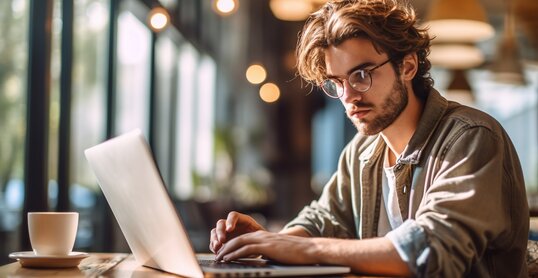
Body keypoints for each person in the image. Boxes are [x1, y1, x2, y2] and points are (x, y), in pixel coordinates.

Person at [209, 0, 529, 276]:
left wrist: (298, 247)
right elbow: (325, 219)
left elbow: (430, 250)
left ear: (407, 66)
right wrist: (264, 241)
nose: (349, 97)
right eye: (337, 82)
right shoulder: (361, 150)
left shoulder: (471, 138)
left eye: (361, 75)